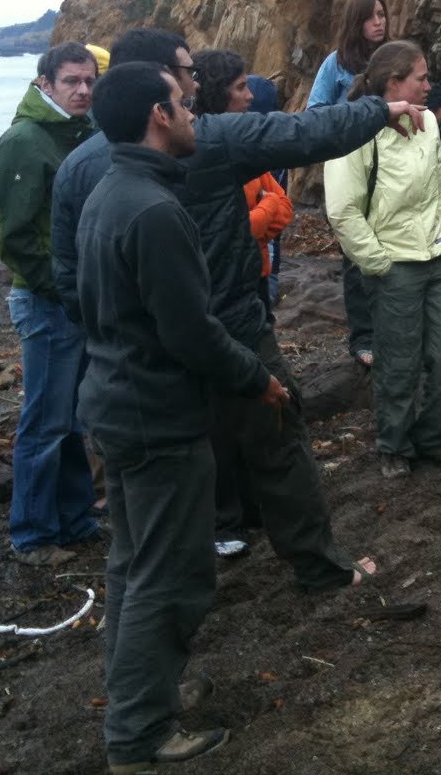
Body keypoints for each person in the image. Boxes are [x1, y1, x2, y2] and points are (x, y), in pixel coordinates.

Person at [52, 27, 417, 593]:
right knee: (278, 436)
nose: (196, 84)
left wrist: (117, 336)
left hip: (143, 359)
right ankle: (319, 568)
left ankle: (208, 553)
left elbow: (67, 274)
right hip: (231, 327)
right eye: (187, 72)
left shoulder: (78, 167)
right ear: (161, 85)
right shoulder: (208, 140)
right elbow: (301, 132)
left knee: (165, 493)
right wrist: (379, 110)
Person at [76, 61, 306, 774]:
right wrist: (257, 378)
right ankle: (140, 734)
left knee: (134, 564)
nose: (194, 115)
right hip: (157, 417)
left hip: (118, 404)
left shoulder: (110, 190)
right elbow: (190, 330)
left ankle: (137, 700)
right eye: (183, 104)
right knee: (171, 575)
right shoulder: (152, 209)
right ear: (158, 115)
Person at [325, 41, 441, 479]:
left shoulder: (427, 123)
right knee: (399, 362)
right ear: (394, 83)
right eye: (421, 78)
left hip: (437, 255)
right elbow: (342, 210)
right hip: (393, 265)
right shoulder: (356, 130)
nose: (429, 86)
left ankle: (434, 439)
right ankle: (395, 445)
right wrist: (378, 263)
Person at [0, 41, 100, 564]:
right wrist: (62, 288)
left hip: (76, 298)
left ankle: (76, 521)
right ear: (44, 84)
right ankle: (31, 534)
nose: (83, 90)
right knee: (46, 422)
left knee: (72, 420)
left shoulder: (82, 132)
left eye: (89, 80)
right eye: (71, 81)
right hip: (45, 301)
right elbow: (13, 235)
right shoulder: (25, 141)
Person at [194, 49, 295, 539]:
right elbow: (226, 227)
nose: (250, 96)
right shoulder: (203, 152)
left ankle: (252, 506)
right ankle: (226, 516)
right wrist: (257, 218)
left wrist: (258, 218)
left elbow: (284, 205)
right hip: (219, 295)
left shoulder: (244, 148)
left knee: (263, 400)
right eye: (240, 88)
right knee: (223, 408)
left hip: (253, 281)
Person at [307, 0, 389, 366]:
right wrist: (351, 118)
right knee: (356, 253)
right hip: (350, 164)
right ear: (356, 22)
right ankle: (364, 338)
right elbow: (315, 110)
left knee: (394, 244)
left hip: (391, 164)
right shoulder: (336, 64)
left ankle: (397, 329)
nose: (379, 22)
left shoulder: (393, 57)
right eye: (371, 16)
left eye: (382, 14)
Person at [245, 75, 289, 304]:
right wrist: (269, 202)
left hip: (262, 249)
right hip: (257, 250)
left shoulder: (272, 151)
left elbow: (285, 210)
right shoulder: (274, 147)